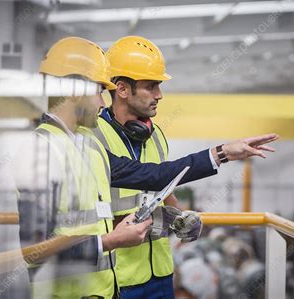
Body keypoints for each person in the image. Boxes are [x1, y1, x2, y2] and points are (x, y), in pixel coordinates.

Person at [17, 36, 278, 299]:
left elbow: (154, 177)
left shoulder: (87, 148)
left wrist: (222, 153)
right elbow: (34, 250)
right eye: (98, 90)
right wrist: (113, 241)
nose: (100, 101)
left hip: (104, 289)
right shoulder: (42, 151)